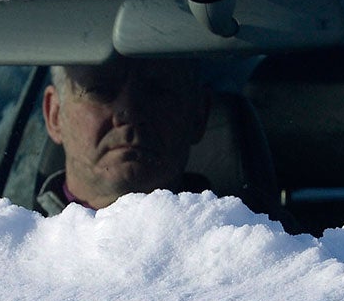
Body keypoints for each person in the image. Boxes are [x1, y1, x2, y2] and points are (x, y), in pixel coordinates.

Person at [35, 55, 212, 215]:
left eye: (158, 90)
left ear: (198, 114)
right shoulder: (18, 245)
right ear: (55, 115)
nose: (129, 111)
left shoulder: (234, 246)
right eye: (100, 90)